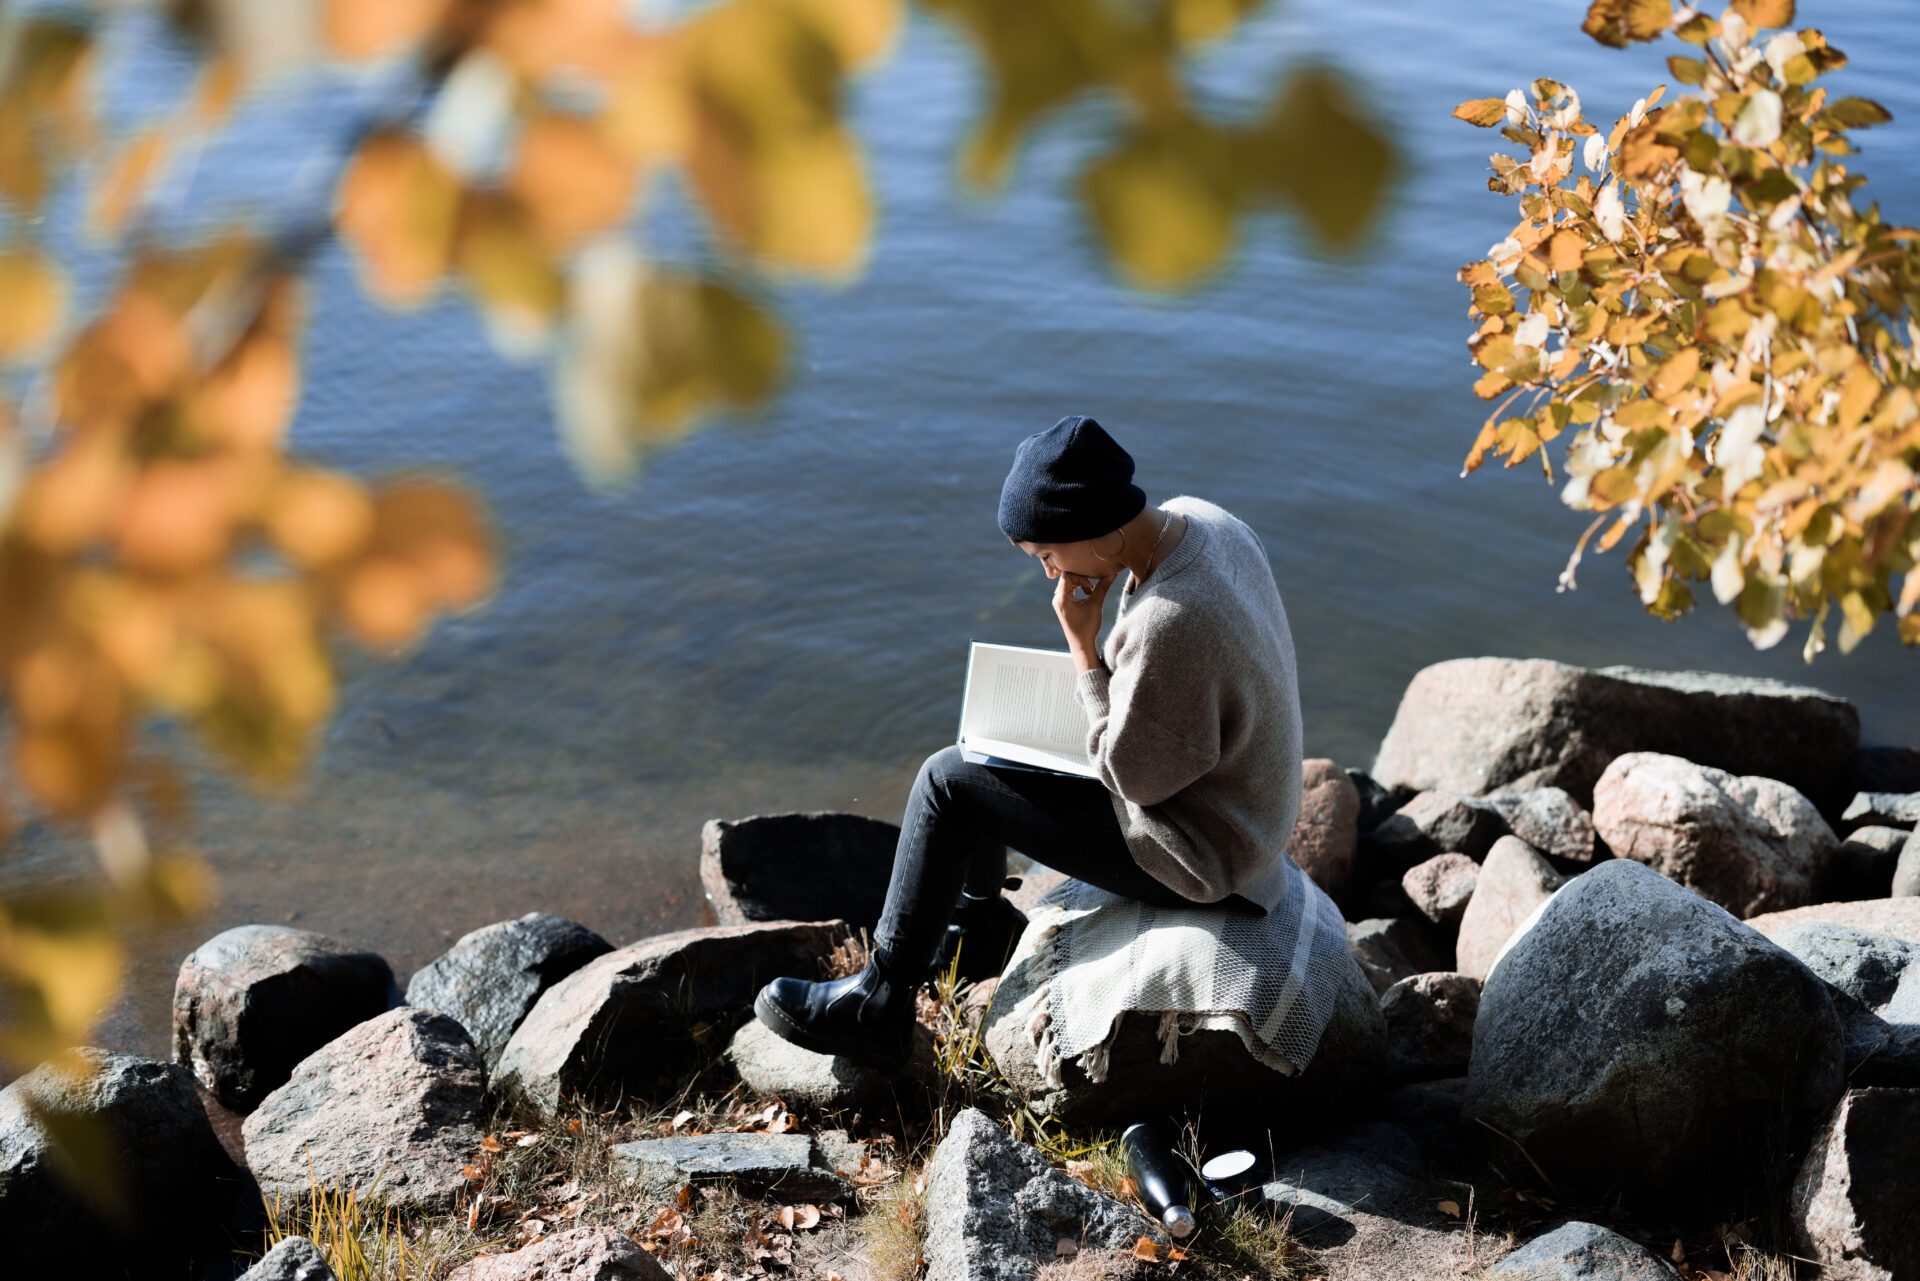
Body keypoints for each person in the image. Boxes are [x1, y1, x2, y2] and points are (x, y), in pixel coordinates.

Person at [753, 414, 1304, 1068]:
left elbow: (1135, 779)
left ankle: (880, 1002)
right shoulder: (1205, 521)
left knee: (945, 783)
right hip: (1239, 804)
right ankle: (980, 926)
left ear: (1092, 531)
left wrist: (1081, 643)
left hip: (1208, 852)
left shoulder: (1168, 624)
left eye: (1047, 556)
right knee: (989, 746)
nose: (1049, 575)